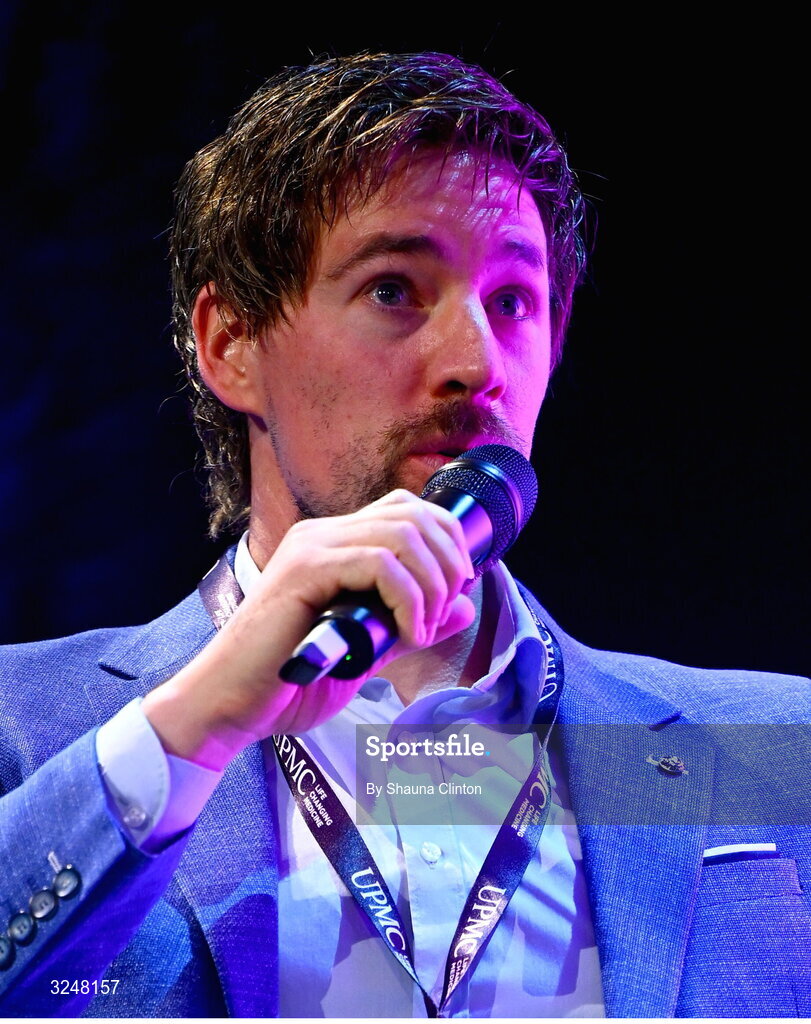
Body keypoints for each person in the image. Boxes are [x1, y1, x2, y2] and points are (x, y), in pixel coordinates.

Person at [0, 51, 809, 1019]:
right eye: (393, 289)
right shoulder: (27, 728)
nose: (477, 362)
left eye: (514, 301)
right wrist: (195, 727)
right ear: (231, 344)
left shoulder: (775, 746)